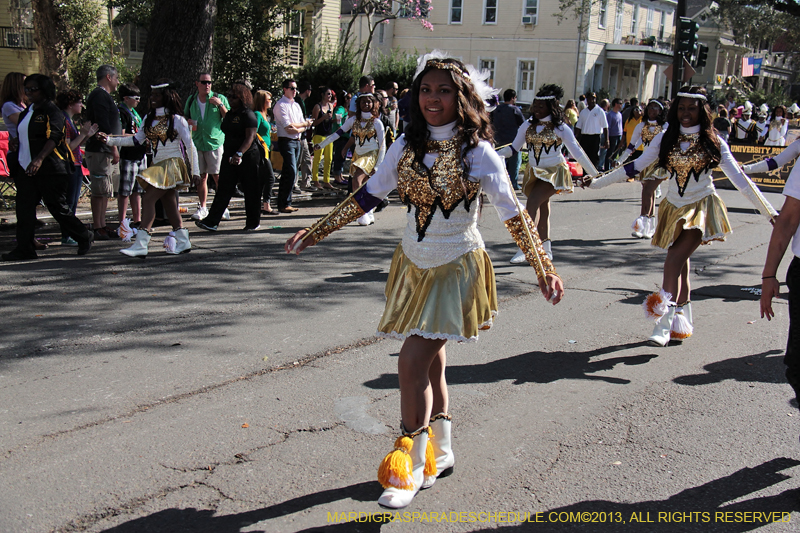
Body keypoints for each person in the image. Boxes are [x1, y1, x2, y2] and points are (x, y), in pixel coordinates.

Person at [285, 52, 563, 510]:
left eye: (444, 90)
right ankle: (443, 448)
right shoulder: (405, 145)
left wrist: (543, 269)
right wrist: (316, 232)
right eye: (426, 90)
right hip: (413, 263)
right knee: (432, 360)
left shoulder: (479, 152)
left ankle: (411, 462)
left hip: (457, 265)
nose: (433, 98)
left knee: (412, 362)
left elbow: (514, 214)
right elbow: (369, 194)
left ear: (462, 96)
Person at [587, 86, 776, 346]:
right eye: (682, 107)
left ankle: (663, 321)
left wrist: (769, 212)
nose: (686, 113)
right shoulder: (665, 137)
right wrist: (599, 181)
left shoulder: (713, 140)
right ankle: (681, 319)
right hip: (673, 206)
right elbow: (637, 165)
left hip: (701, 206)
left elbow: (740, 180)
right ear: (675, 110)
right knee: (681, 264)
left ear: (702, 110)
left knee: (674, 258)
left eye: (692, 108)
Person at [500, 84, 598, 263]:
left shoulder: (560, 128)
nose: (536, 109)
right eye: (534, 106)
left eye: (540, 107)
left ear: (550, 107)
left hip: (555, 172)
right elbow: (513, 149)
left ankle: (527, 247)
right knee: (543, 208)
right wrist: (493, 154)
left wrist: (595, 173)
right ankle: (546, 247)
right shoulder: (527, 126)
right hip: (535, 172)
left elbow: (577, 152)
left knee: (532, 203)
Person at [100, 79, 199, 257]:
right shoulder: (149, 118)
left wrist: (196, 172)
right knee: (169, 204)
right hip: (158, 165)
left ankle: (141, 243)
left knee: (148, 199)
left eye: (156, 95)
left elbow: (191, 146)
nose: (152, 98)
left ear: (166, 97)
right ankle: (183, 241)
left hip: (172, 164)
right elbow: (135, 140)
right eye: (151, 95)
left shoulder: (177, 120)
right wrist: (109, 140)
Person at [2, 74, 95, 261]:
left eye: (33, 89)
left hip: (50, 167)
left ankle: (84, 236)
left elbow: (54, 137)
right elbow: (25, 134)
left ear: (44, 90)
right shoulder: (29, 110)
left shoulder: (52, 112)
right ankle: (24, 248)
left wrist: (39, 159)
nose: (28, 92)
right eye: (26, 89)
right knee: (24, 208)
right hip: (26, 167)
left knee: (57, 207)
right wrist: (15, 142)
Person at [195, 81, 261, 232]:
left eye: (234, 97)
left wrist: (239, 153)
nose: (230, 99)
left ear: (242, 98)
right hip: (229, 156)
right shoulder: (230, 114)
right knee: (223, 188)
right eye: (229, 96)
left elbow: (250, 137)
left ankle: (253, 222)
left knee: (251, 190)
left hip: (247, 156)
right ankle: (211, 221)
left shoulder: (248, 115)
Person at [314, 93, 385, 226]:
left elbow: (382, 145)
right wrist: (322, 144)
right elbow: (337, 133)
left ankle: (361, 212)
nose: (366, 104)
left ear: (374, 104)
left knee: (356, 179)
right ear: (358, 104)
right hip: (357, 154)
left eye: (369, 102)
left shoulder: (377, 123)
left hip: (371, 154)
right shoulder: (352, 120)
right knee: (365, 185)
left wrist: (378, 166)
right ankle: (368, 210)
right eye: (363, 102)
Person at [615, 99, 669, 239]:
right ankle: (648, 228)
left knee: (648, 191)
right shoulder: (641, 127)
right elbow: (631, 147)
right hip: (644, 163)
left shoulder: (666, 127)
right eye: (650, 108)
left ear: (660, 111)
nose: (652, 110)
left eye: (655, 108)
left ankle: (642, 222)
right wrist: (620, 160)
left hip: (659, 164)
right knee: (647, 192)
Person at [184, 72, 229, 222]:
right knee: (201, 176)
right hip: (198, 142)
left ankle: (222, 206)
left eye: (209, 82)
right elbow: (184, 117)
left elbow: (227, 117)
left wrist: (220, 105)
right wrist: (188, 122)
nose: (207, 85)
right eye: (203, 82)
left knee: (217, 176)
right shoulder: (191, 100)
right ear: (197, 84)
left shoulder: (219, 98)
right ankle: (203, 207)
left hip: (214, 142)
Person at [56, 89, 99, 246]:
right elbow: (67, 147)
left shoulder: (69, 120)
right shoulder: (64, 120)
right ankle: (67, 235)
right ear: (70, 104)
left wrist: (86, 135)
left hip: (76, 164)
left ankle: (69, 234)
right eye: (79, 102)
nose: (82, 105)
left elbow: (75, 145)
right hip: (70, 165)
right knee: (69, 202)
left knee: (73, 201)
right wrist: (82, 134)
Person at [84, 64, 121, 240]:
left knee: (106, 190)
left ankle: (102, 224)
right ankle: (98, 226)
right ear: (108, 77)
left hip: (105, 151)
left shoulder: (105, 96)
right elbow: (103, 125)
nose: (117, 81)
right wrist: (113, 147)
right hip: (100, 150)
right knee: (99, 190)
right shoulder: (99, 95)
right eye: (116, 78)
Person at [274, 79, 314, 213]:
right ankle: (284, 202)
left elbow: (300, 124)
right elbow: (288, 127)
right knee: (291, 170)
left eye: (295, 88)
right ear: (285, 89)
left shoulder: (296, 105)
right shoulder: (280, 105)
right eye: (292, 88)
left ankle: (285, 202)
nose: (294, 91)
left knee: (290, 171)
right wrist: (303, 126)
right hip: (286, 141)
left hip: (297, 140)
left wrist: (300, 127)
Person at [115, 83, 147, 235]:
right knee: (125, 191)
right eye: (136, 98)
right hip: (128, 156)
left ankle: (137, 219)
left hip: (140, 155)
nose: (138, 101)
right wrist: (137, 137)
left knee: (137, 191)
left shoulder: (135, 112)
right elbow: (120, 134)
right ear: (126, 98)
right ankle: (122, 221)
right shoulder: (121, 112)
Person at [490, 89, 525, 190]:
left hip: (498, 139)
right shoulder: (515, 110)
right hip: (513, 141)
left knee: (500, 163)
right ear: (513, 98)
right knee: (514, 164)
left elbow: (490, 123)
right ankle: (513, 183)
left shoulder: (496, 109)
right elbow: (523, 125)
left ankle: (499, 183)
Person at [253, 90, 277, 214]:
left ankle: (262, 204)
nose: (270, 101)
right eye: (268, 99)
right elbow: (254, 132)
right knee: (270, 177)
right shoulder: (257, 114)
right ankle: (266, 205)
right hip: (261, 150)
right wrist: (262, 143)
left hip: (267, 149)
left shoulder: (265, 115)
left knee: (263, 178)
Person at [310, 87, 336, 189]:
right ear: (322, 95)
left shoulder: (331, 106)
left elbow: (330, 120)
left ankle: (326, 180)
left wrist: (336, 120)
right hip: (319, 135)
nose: (329, 96)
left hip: (329, 135)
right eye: (328, 94)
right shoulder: (318, 107)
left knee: (329, 159)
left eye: (330, 94)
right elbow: (314, 122)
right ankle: (315, 180)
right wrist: (323, 118)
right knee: (317, 158)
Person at [575, 91, 608, 170]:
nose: (591, 100)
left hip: (595, 137)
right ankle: (585, 174)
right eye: (589, 99)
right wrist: (576, 139)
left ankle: (593, 174)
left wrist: (607, 140)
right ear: (587, 100)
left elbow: (605, 127)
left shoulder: (600, 111)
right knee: (584, 157)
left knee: (594, 157)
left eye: (593, 99)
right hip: (585, 137)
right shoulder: (583, 112)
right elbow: (579, 127)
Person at [295, 80, 315, 191]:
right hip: (299, 135)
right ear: (307, 91)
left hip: (303, 136)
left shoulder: (300, 102)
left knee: (307, 159)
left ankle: (306, 183)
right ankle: (294, 184)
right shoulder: (298, 101)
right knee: (298, 161)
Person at [330, 91, 350, 186]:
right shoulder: (340, 108)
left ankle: (340, 175)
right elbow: (337, 115)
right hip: (340, 136)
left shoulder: (346, 109)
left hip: (345, 136)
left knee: (343, 156)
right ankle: (337, 177)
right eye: (349, 98)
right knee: (339, 155)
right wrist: (340, 126)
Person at [605, 98, 623, 171]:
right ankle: (607, 168)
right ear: (616, 104)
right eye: (620, 103)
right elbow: (607, 127)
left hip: (619, 135)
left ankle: (612, 167)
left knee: (616, 152)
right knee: (610, 153)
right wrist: (607, 139)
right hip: (612, 136)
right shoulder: (610, 115)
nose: (621, 105)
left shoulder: (620, 114)